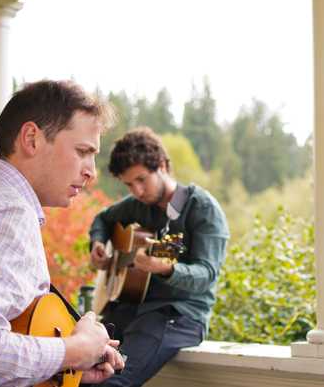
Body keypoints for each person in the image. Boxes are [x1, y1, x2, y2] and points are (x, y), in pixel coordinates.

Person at [0, 80, 125, 386]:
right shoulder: (5, 213)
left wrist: (60, 365)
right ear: (31, 138)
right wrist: (75, 350)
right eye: (82, 151)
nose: (91, 171)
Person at [89, 126, 229, 387]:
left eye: (142, 179)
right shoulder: (137, 206)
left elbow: (206, 275)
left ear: (163, 166)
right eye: (129, 184)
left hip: (179, 315)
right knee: (80, 369)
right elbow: (104, 219)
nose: (137, 191)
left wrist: (167, 269)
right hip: (131, 309)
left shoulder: (203, 209)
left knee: (112, 381)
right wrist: (98, 242)